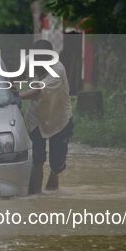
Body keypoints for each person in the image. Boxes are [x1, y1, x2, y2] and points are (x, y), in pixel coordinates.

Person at [20, 39, 73, 194]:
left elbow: (37, 91)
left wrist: (18, 95)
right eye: (34, 59)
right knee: (37, 158)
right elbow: (21, 75)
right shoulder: (30, 60)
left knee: (57, 162)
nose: (35, 64)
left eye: (40, 61)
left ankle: (54, 174)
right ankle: (37, 194)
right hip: (36, 117)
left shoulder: (58, 70)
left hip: (58, 118)